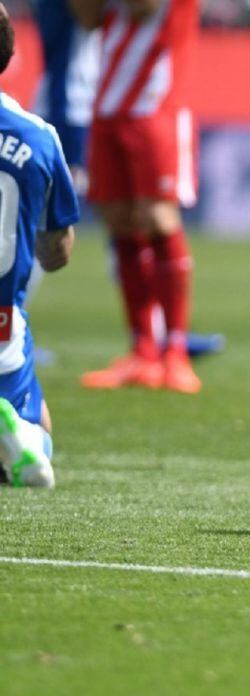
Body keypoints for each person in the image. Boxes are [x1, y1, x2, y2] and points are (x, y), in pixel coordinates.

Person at [71, 0, 202, 393]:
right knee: (120, 221)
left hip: (156, 104)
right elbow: (87, 17)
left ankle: (175, 352)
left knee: (158, 218)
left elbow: (144, 7)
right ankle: (142, 351)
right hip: (109, 104)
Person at [0, 2, 80, 488]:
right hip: (3, 333)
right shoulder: (40, 136)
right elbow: (58, 252)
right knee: (41, 428)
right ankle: (18, 438)